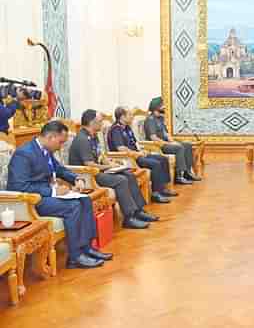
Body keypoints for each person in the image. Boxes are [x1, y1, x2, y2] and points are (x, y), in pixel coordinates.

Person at [7, 121, 112, 269]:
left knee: (85, 200)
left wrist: (76, 178)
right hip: (31, 201)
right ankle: (75, 257)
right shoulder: (24, 154)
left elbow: (60, 169)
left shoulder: (45, 151)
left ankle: (87, 248)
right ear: (50, 137)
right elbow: (19, 186)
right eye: (61, 142)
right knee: (73, 207)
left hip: (46, 196)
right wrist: (53, 191)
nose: (61, 146)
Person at [70, 109, 157, 229]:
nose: (102, 124)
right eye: (100, 121)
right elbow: (90, 165)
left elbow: (101, 155)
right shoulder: (82, 139)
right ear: (92, 123)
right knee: (121, 180)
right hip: (89, 175)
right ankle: (128, 218)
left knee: (128, 174)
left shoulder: (94, 136)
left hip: (99, 170)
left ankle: (138, 211)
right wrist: (108, 167)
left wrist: (112, 163)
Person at [108, 106, 177, 204]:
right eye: (130, 115)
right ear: (122, 117)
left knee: (163, 159)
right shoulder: (116, 129)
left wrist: (141, 150)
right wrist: (137, 153)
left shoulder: (127, 128)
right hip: (128, 158)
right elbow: (121, 148)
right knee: (155, 164)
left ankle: (163, 189)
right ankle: (156, 193)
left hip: (137, 154)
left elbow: (134, 143)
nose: (132, 117)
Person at [144, 97, 201, 184]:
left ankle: (187, 172)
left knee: (187, 144)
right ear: (156, 107)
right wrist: (168, 143)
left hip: (166, 143)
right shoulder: (150, 120)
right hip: (158, 145)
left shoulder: (160, 118)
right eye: (162, 106)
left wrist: (172, 141)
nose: (164, 107)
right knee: (179, 147)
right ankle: (179, 176)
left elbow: (166, 134)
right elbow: (153, 138)